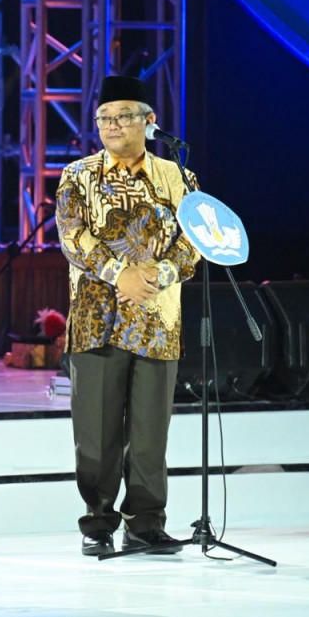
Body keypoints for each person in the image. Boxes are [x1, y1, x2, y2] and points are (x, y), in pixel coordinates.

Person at [55, 75, 200, 557]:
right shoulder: (79, 175)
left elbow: (196, 239)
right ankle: (98, 521)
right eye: (105, 118)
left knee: (150, 433)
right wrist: (121, 273)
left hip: (157, 319)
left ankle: (146, 522)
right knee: (95, 433)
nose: (113, 125)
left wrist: (158, 273)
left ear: (149, 121)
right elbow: (73, 237)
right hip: (97, 319)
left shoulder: (178, 176)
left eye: (123, 116)